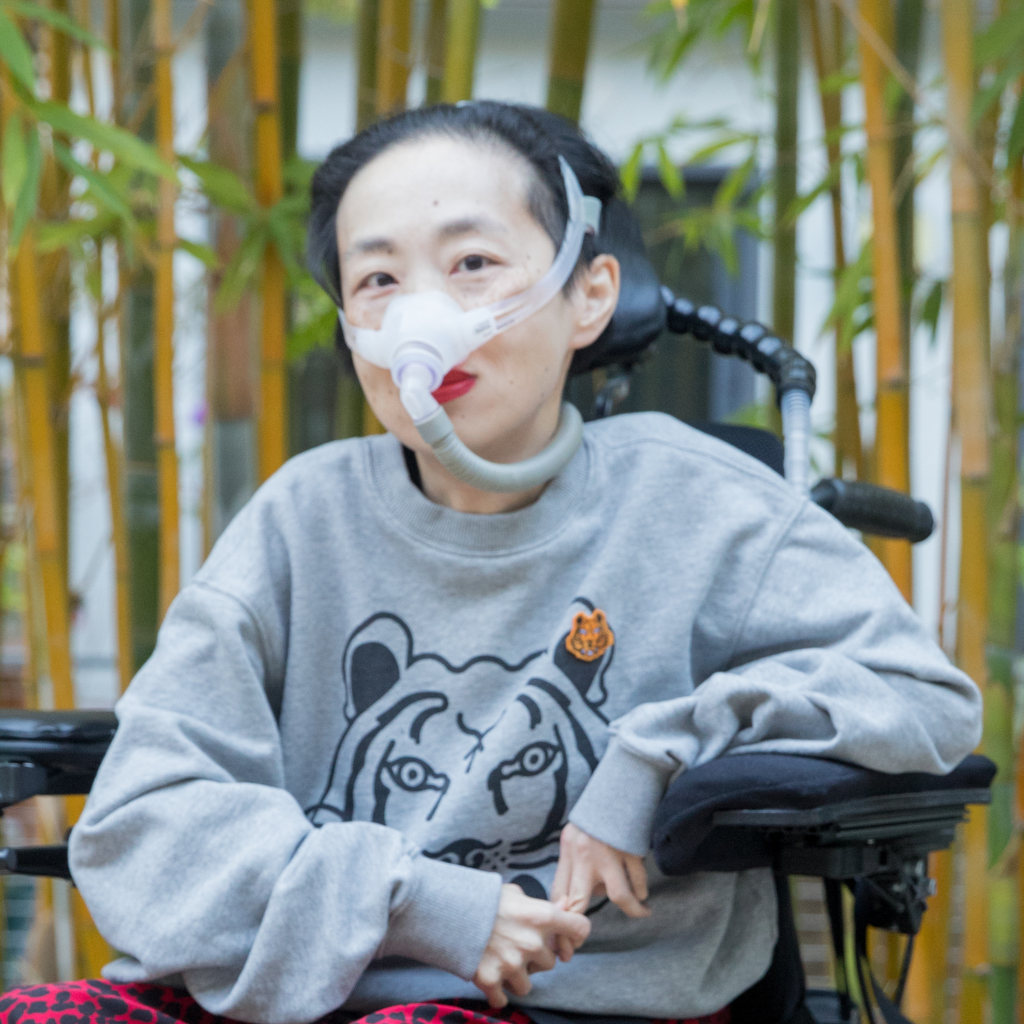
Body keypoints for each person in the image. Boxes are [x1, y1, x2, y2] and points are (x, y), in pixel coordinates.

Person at [3, 102, 980, 1024]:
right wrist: (413, 900)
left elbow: (922, 697)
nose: (421, 315)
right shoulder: (301, 519)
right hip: (317, 983)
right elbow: (145, 821)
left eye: (472, 262)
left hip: (580, 995)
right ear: (349, 324)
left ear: (589, 291)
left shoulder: (705, 507)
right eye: (378, 279)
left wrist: (665, 742)